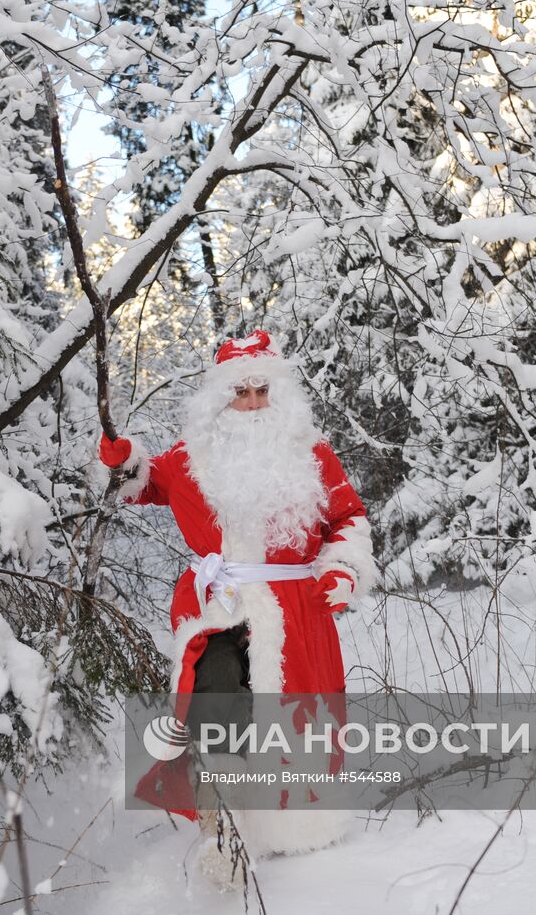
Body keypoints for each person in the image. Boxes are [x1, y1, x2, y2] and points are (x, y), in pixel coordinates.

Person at [98, 329, 377, 878]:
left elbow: (349, 520)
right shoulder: (189, 458)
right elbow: (143, 482)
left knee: (288, 716)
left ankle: (293, 821)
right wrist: (122, 460)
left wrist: (342, 567)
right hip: (220, 600)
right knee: (214, 692)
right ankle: (223, 826)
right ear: (219, 400)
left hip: (295, 605)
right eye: (239, 393)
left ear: (279, 396)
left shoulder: (313, 455)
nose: (250, 404)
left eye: (260, 392)